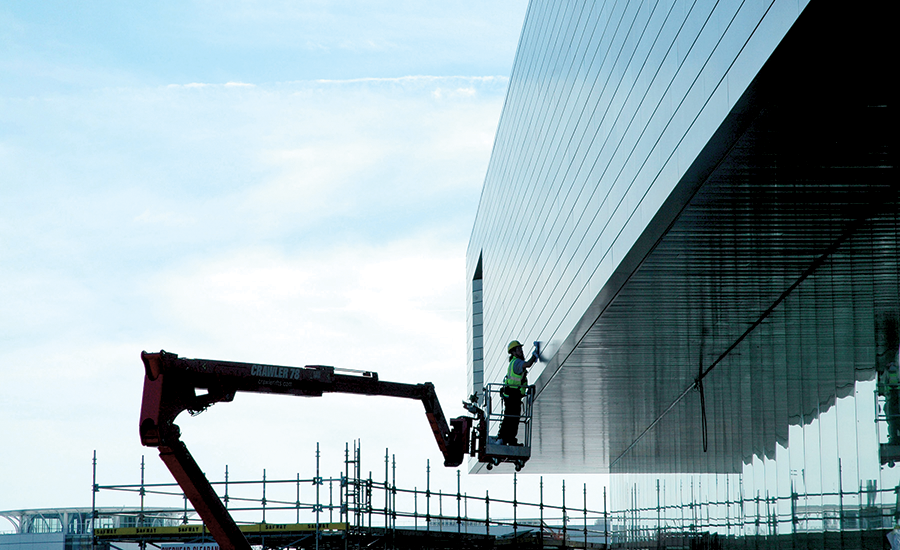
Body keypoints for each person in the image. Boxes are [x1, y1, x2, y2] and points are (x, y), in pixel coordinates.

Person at [498, 340, 538, 446]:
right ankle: (505, 439)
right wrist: (535, 355)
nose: (521, 351)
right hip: (513, 394)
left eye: (521, 348)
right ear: (513, 352)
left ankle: (506, 439)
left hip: (512, 394)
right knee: (512, 418)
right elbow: (528, 364)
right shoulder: (517, 362)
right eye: (519, 349)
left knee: (511, 418)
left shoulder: (514, 362)